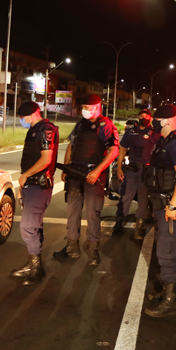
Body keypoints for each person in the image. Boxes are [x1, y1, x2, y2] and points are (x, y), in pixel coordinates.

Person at [57, 94, 119, 265]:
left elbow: (114, 150)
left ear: (98, 107)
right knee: (72, 212)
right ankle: (71, 246)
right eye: (83, 106)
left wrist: (98, 171)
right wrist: (66, 167)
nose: (84, 110)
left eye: (87, 107)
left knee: (93, 214)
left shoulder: (105, 125)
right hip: (75, 174)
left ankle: (93, 250)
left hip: (93, 176)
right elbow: (71, 145)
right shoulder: (80, 124)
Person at [143, 104, 176, 317]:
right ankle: (166, 291)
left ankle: (170, 300)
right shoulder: (163, 142)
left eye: (157, 118)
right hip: (159, 205)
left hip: (169, 207)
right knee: (163, 252)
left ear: (168, 121)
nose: (153, 121)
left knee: (167, 253)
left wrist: (172, 206)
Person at [10, 102, 59, 285]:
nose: (21, 121)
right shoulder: (34, 130)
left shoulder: (46, 130)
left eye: (23, 118)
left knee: (28, 227)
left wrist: (25, 176)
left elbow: (46, 159)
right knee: (32, 226)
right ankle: (32, 264)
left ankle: (36, 269)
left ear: (32, 114)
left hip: (39, 185)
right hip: (31, 185)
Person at [114, 108, 158, 239]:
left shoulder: (155, 133)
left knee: (143, 200)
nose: (143, 117)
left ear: (150, 118)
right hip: (132, 169)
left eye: (146, 115)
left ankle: (139, 227)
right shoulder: (130, 131)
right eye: (141, 115)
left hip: (146, 171)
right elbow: (122, 149)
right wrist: (119, 167)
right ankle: (119, 222)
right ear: (138, 117)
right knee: (125, 197)